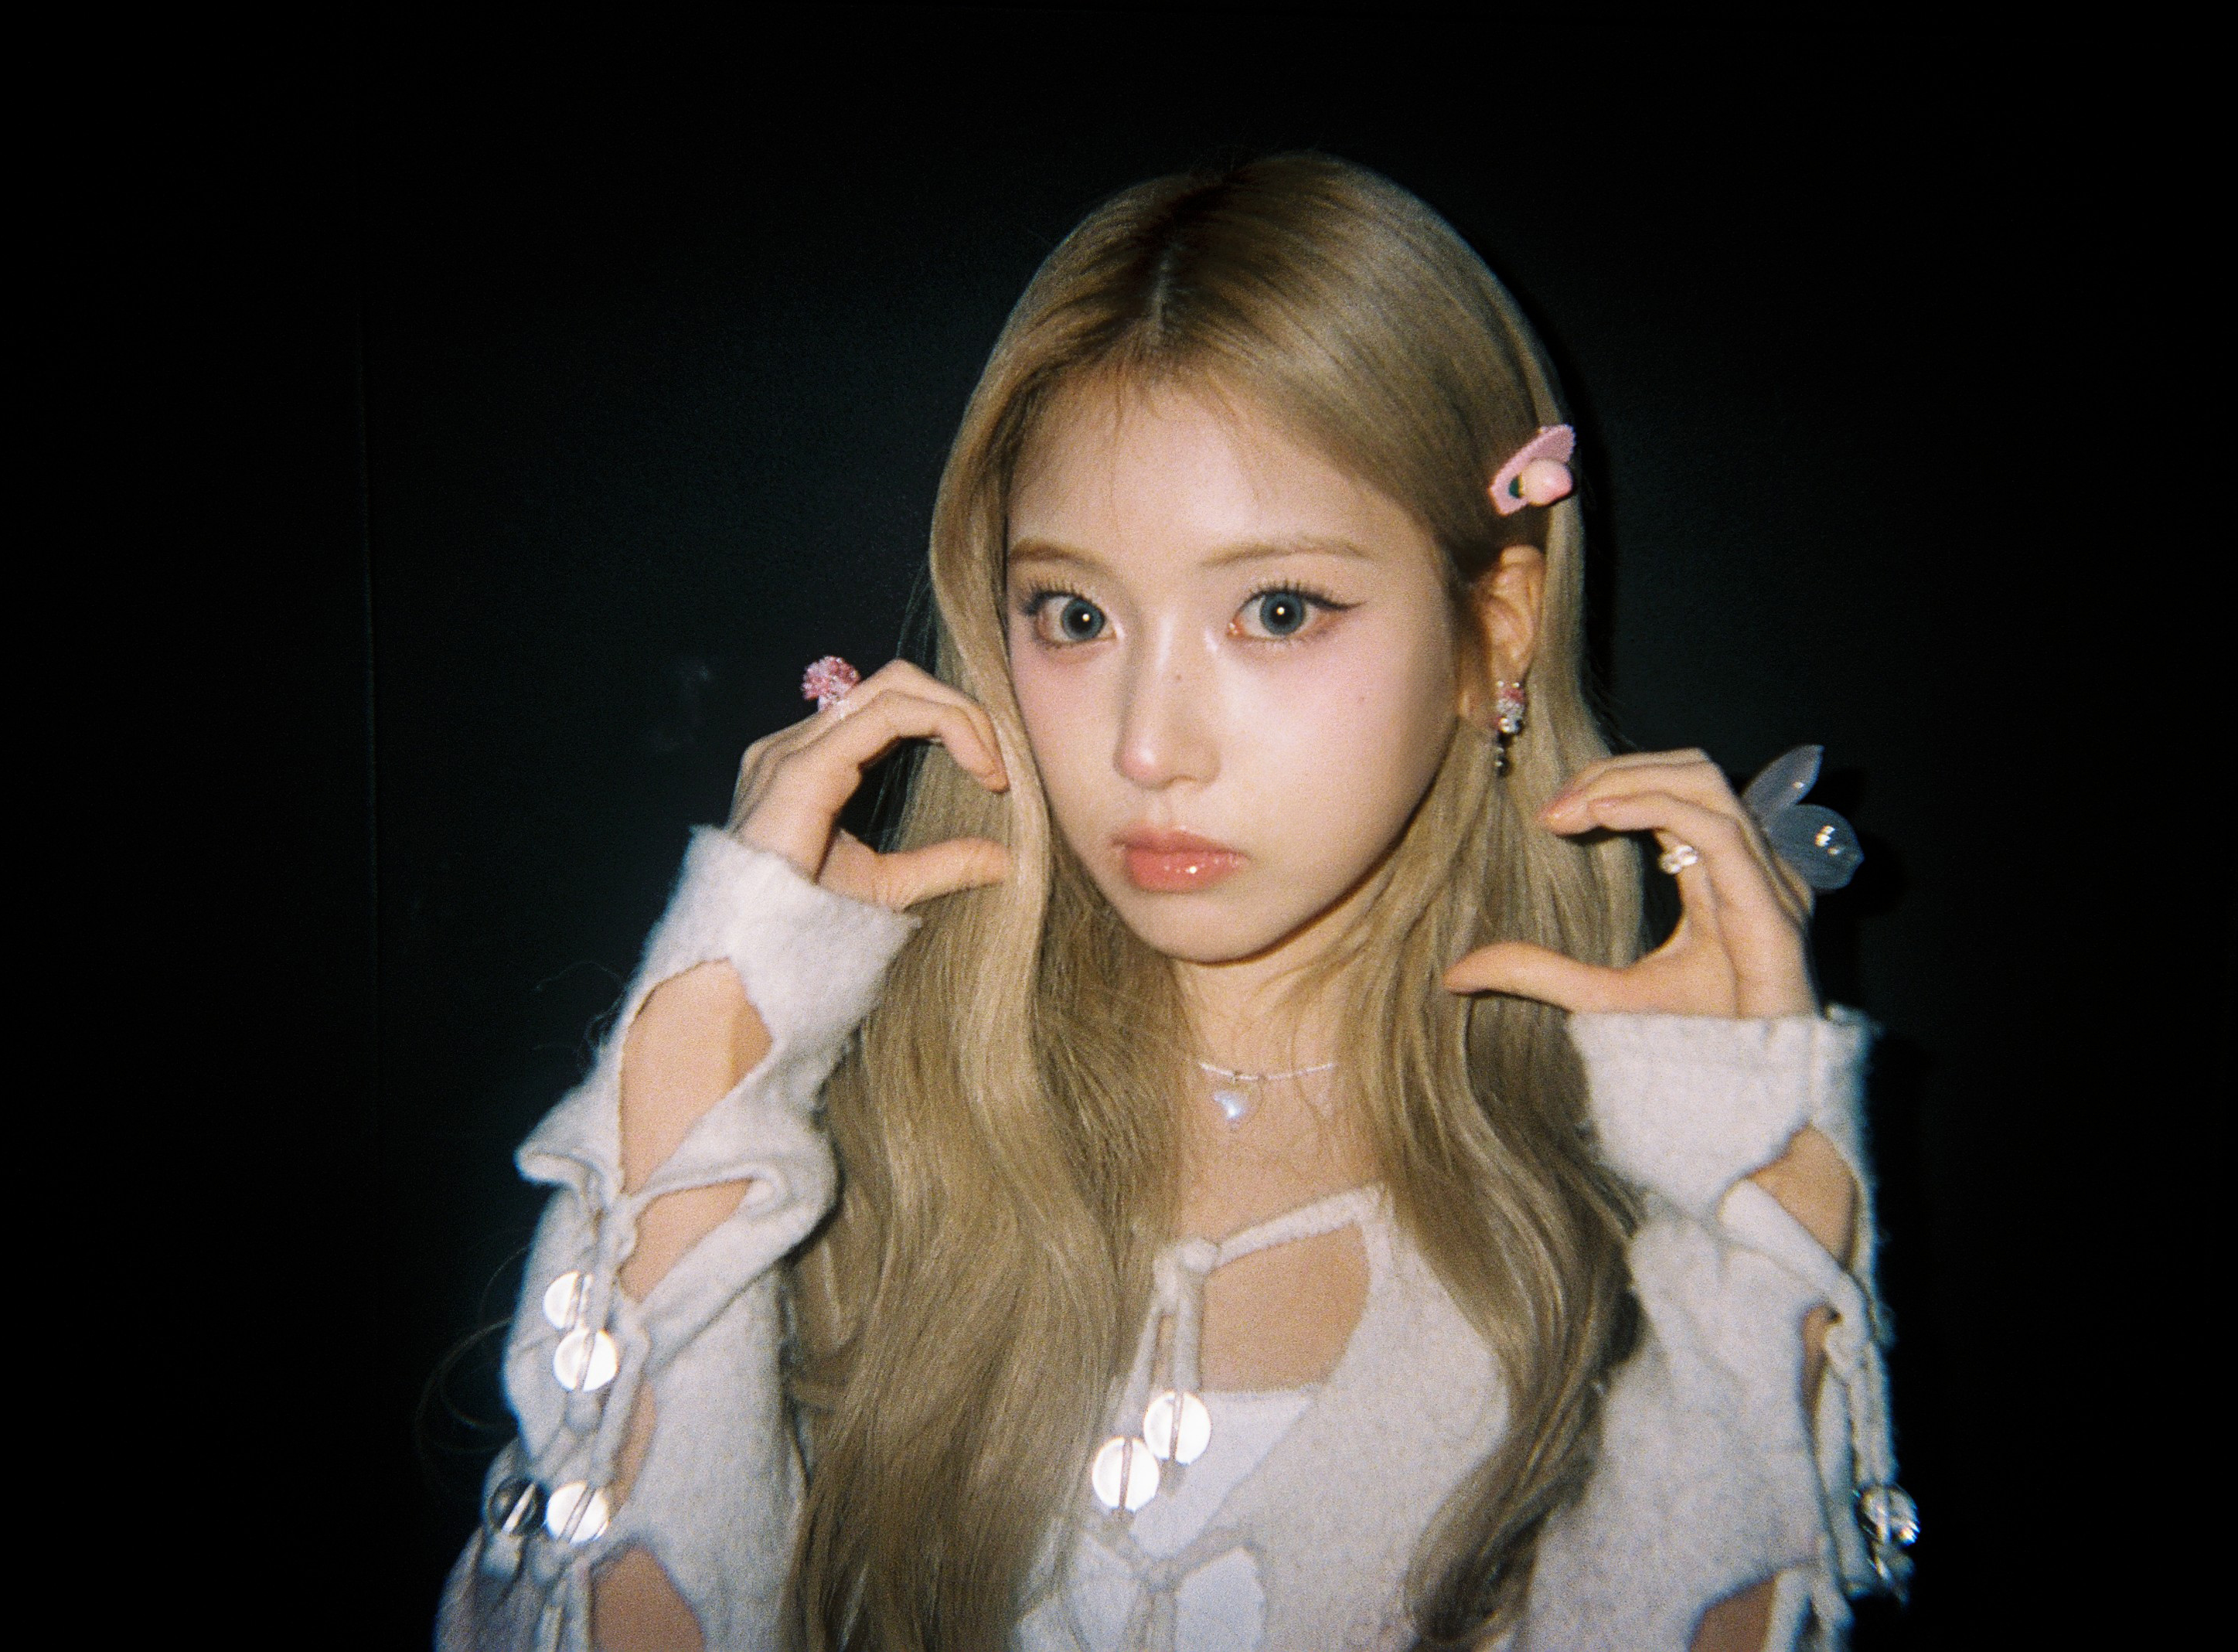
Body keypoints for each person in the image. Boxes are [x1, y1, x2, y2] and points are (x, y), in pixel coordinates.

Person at [438, 153, 1910, 1652]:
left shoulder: (1623, 1201)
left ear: (1493, 631)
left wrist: (1762, 1240)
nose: (1147, 747)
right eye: (1074, 615)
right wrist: (698, 1073)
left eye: (1276, 609)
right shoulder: (868, 1132)